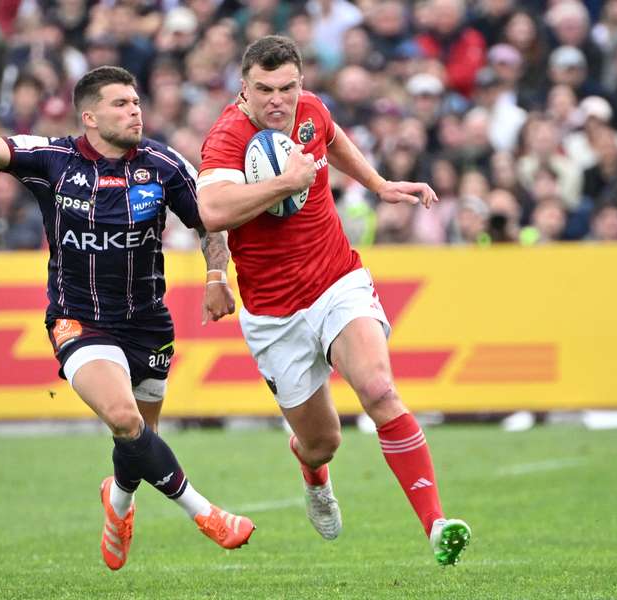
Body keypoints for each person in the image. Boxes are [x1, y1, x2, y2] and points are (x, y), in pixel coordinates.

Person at [0, 65, 255, 571]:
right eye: (121, 104)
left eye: (136, 102)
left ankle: (117, 503)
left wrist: (215, 277)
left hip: (148, 324)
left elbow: (211, 223)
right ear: (89, 116)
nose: (134, 110)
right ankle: (206, 513)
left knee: (137, 438)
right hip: (79, 320)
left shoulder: (163, 164)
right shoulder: (54, 159)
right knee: (123, 418)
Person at [196, 36, 471, 566]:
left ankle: (436, 524)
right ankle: (314, 476)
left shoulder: (311, 111)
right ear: (243, 89)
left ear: (301, 82)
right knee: (323, 442)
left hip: (335, 282)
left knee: (379, 389)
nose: (278, 100)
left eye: (289, 87)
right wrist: (283, 185)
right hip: (274, 312)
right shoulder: (226, 138)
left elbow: (333, 136)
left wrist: (378, 183)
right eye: (265, 89)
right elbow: (211, 209)